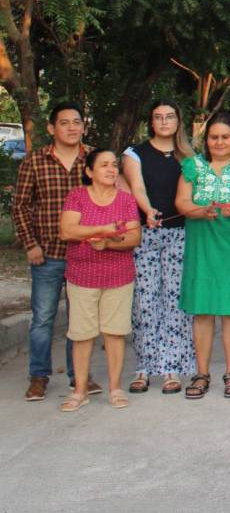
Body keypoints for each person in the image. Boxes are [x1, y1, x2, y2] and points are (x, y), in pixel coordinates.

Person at [176, 110, 230, 399]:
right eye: (214, 137)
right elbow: (182, 202)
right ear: (206, 140)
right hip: (202, 243)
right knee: (202, 309)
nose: (219, 142)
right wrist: (200, 210)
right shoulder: (192, 166)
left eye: (225, 137)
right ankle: (201, 373)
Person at [14, 102, 92, 401]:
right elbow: (20, 206)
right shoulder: (35, 161)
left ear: (83, 127)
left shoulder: (93, 160)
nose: (72, 127)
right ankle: (39, 376)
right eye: (64, 122)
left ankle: (79, 376)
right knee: (43, 318)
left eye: (76, 122)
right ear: (51, 128)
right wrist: (30, 244)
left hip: (85, 254)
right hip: (47, 254)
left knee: (80, 320)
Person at [57, 149, 142, 411]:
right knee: (82, 335)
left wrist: (107, 243)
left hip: (119, 276)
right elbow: (67, 231)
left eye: (114, 165)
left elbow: (134, 237)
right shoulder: (77, 196)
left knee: (114, 333)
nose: (111, 169)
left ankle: (115, 389)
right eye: (104, 165)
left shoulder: (126, 199)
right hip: (82, 276)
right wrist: (102, 230)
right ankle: (80, 391)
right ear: (89, 171)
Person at [123, 100, 196, 395]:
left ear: (178, 121)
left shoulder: (190, 157)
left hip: (181, 234)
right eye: (158, 117)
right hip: (146, 233)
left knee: (175, 301)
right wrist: (148, 210)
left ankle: (171, 368)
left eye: (170, 116)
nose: (164, 121)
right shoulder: (134, 154)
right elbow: (137, 187)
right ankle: (144, 367)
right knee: (144, 302)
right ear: (151, 122)